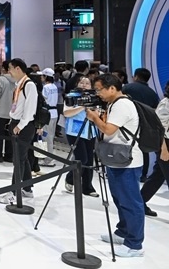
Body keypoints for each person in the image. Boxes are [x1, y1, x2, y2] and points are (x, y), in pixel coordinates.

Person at [85, 74, 145, 258]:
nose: (98, 93)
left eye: (99, 89)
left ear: (112, 88)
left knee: (131, 202)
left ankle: (134, 245)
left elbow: (109, 129)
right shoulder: (113, 104)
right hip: (116, 158)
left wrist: (94, 118)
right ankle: (123, 232)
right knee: (120, 200)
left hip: (127, 161)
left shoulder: (122, 105)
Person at [0, 58, 37, 204]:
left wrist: (20, 125)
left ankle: (13, 192)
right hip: (16, 123)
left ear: (18, 68)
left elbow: (30, 109)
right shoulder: (19, 84)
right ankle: (27, 188)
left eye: (10, 68)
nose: (9, 71)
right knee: (22, 157)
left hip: (23, 126)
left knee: (18, 160)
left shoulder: (29, 85)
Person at [63, 76, 99, 197]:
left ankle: (87, 187)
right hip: (74, 132)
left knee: (89, 160)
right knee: (81, 158)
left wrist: (93, 108)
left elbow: (98, 114)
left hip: (90, 131)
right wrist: (83, 106)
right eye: (82, 82)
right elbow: (66, 113)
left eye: (87, 83)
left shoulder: (94, 97)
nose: (84, 85)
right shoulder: (71, 96)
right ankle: (70, 179)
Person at [140, 80, 169, 217]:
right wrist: (163, 149)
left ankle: (139, 202)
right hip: (166, 144)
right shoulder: (165, 103)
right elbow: (159, 128)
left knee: (158, 175)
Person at [0, 60, 15, 162]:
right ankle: (9, 156)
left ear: (4, 68)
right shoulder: (17, 81)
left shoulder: (0, 80)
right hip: (13, 114)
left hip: (0, 113)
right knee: (10, 136)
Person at [40, 68, 59, 167]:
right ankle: (49, 157)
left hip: (47, 114)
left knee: (46, 137)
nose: (41, 77)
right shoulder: (54, 87)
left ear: (46, 76)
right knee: (51, 136)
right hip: (54, 113)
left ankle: (48, 159)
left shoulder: (46, 87)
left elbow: (43, 99)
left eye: (42, 76)